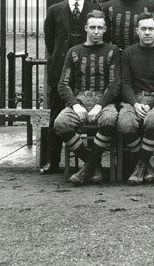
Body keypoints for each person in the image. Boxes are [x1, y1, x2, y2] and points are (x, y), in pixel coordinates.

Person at [53, 10, 121, 185]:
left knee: (110, 119)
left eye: (100, 27)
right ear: (86, 28)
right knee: (60, 123)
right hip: (80, 100)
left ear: (105, 29)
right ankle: (94, 164)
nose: (96, 31)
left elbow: (114, 84)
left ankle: (88, 167)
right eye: (92, 27)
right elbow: (63, 84)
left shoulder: (112, 51)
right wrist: (75, 105)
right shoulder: (74, 52)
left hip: (104, 101)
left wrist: (100, 105)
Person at [41, 0, 98, 174]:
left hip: (87, 73)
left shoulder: (94, 9)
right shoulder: (55, 10)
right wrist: (59, 60)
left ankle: (92, 161)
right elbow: (50, 40)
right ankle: (53, 162)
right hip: (61, 72)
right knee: (56, 116)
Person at [118, 13, 154, 185]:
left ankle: (141, 166)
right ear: (137, 31)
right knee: (125, 122)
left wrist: (150, 105)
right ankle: (147, 167)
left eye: (151, 29)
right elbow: (125, 83)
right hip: (134, 100)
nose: (147, 32)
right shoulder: (129, 53)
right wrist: (135, 104)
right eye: (143, 29)